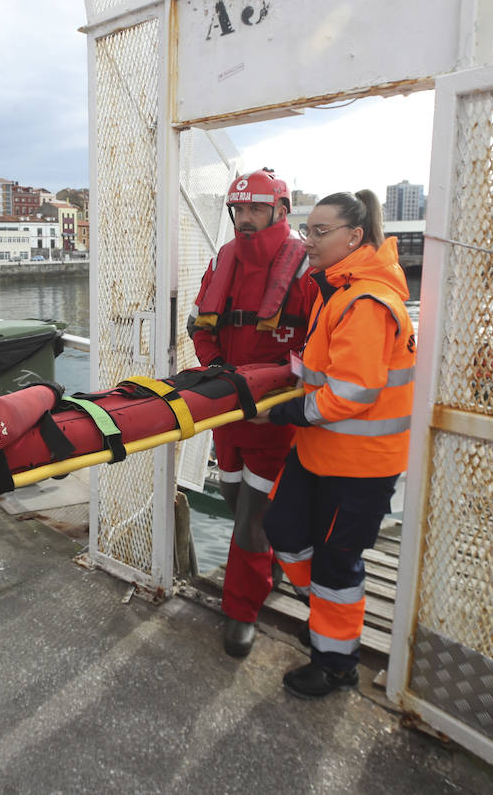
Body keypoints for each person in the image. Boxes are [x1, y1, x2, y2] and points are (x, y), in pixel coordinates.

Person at [263, 189, 415, 698]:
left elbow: (354, 390)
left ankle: (335, 663)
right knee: (282, 528)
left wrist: (292, 410)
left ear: (353, 236)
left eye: (319, 232)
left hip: (359, 465)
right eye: (307, 230)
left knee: (336, 564)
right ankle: (328, 613)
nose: (308, 241)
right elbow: (323, 370)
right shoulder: (339, 291)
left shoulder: (367, 301)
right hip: (321, 452)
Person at [186, 168, 317, 658]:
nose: (245, 219)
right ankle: (275, 565)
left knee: (250, 518)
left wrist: (281, 391)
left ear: (280, 211)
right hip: (228, 406)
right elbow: (202, 323)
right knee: (232, 494)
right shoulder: (223, 261)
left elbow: (317, 342)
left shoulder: (303, 268)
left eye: (255, 209)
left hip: (274, 413)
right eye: (238, 210)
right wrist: (214, 366)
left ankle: (241, 611)